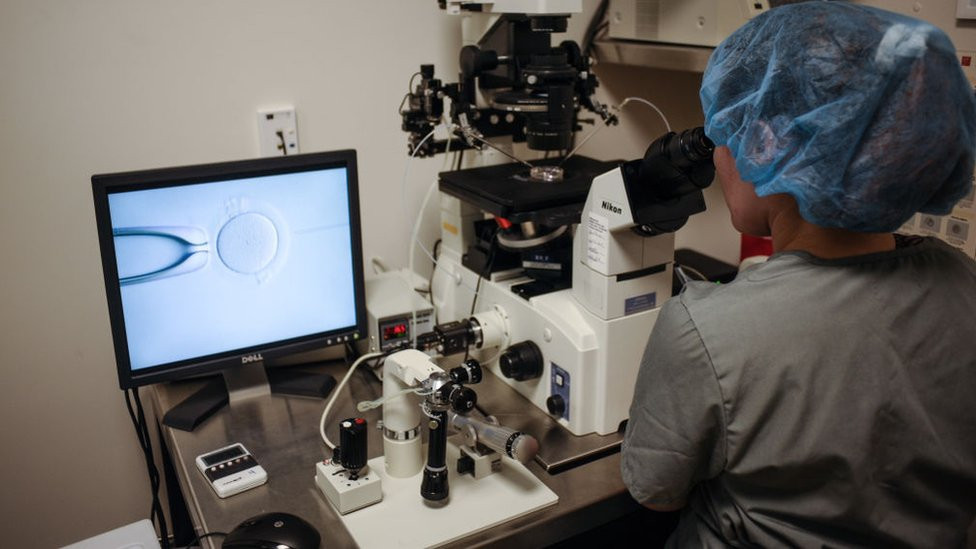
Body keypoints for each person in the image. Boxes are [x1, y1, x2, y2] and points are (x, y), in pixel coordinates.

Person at [620, 2, 976, 547]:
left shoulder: (708, 330)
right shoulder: (963, 283)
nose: (716, 156)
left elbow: (655, 492)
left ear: (765, 142)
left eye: (726, 130)